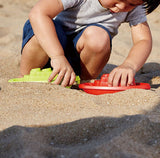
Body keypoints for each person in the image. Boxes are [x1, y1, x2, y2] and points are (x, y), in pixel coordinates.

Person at [20, 0, 159, 87]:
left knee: (98, 37)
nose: (120, 7)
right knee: (41, 31)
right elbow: (38, 13)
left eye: (132, 4)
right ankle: (26, 77)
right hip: (49, 46)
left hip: (78, 58)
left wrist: (129, 65)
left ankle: (85, 82)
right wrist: (57, 56)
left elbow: (143, 40)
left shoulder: (134, 6)